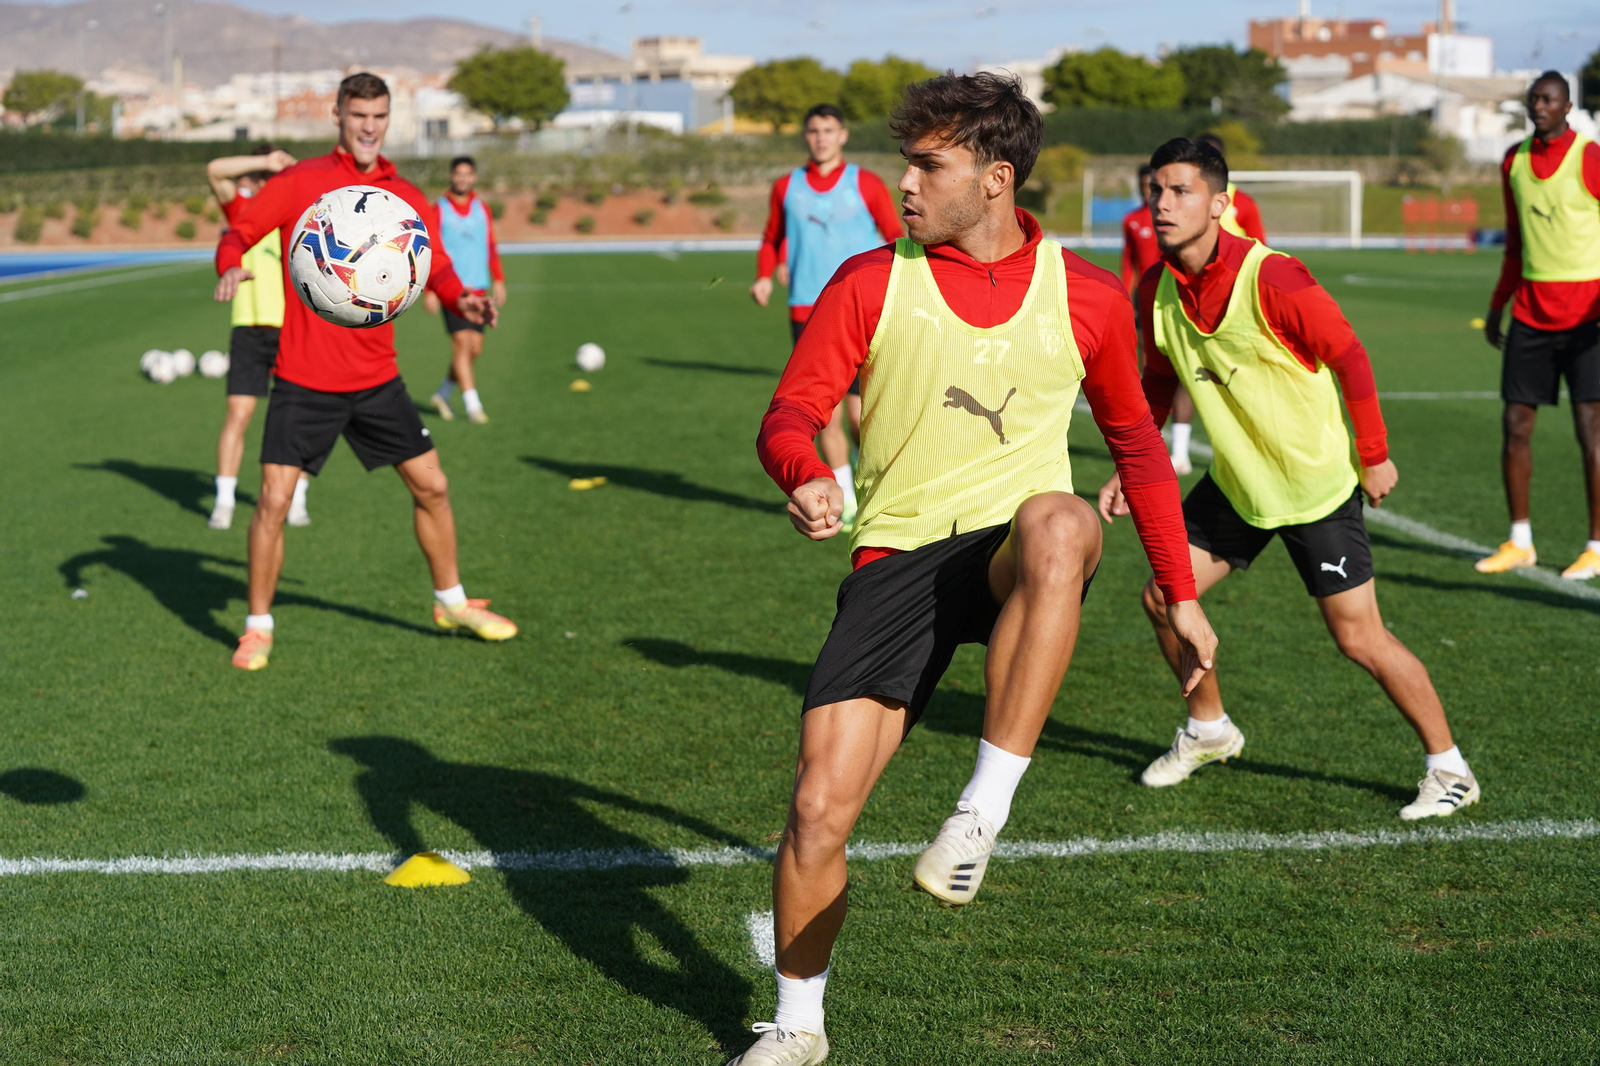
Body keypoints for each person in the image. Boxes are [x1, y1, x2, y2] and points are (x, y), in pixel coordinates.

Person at [735, 74, 1216, 1066]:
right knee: (818, 812)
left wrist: (1179, 592)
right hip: (897, 553)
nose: (903, 183)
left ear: (995, 179)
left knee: (1059, 519)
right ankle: (798, 1023)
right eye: (907, 162)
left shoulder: (1081, 296)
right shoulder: (872, 280)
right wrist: (805, 469)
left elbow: (1136, 446)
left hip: (1012, 554)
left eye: (927, 165)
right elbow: (789, 410)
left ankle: (978, 814)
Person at [1098, 137, 1478, 822]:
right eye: (1155, 190)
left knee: (1358, 638)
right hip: (1238, 487)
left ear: (1221, 204)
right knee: (1163, 596)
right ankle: (1210, 731)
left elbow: (1349, 355)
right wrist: (1134, 466)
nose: (1162, 204)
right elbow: (1157, 381)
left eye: (1180, 191)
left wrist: (1374, 452)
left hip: (1312, 488)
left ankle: (1448, 767)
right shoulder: (1155, 289)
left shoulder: (1272, 277)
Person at [213, 72, 516, 671]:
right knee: (273, 501)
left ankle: (450, 602)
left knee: (433, 485)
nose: (369, 127)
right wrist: (228, 265)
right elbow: (240, 230)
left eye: (379, 116)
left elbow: (436, 268)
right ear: (338, 116)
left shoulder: (404, 193)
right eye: (358, 116)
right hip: (303, 377)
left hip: (377, 378)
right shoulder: (300, 182)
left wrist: (465, 300)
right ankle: (257, 627)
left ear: (388, 118)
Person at [751, 103, 902, 531]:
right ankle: (848, 502)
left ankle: (867, 472)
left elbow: (895, 236)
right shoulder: (786, 186)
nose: (820, 137)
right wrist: (765, 275)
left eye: (828, 129)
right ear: (806, 136)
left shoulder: (866, 184)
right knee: (827, 415)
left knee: (860, 417)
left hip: (863, 310)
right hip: (806, 308)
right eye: (813, 130)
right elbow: (771, 237)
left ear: (843, 135)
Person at [1476, 71, 1600, 580]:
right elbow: (1515, 242)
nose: (1539, 106)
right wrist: (1498, 304)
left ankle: (1596, 545)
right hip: (1531, 312)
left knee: (1590, 430)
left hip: (1588, 316)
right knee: (1515, 428)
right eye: (1533, 99)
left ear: (1568, 105)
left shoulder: (1590, 157)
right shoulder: (1514, 159)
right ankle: (1520, 540)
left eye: (1548, 99)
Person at [205, 144, 312, 531]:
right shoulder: (242, 211)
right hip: (249, 328)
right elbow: (215, 168)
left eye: (274, 177)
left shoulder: (298, 213)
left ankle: (297, 499)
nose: (268, 183)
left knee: (297, 418)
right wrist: (264, 162)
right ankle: (224, 501)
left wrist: (291, 173)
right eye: (263, 177)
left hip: (292, 329)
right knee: (239, 413)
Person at [1158, 133, 1272, 476]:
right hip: (1188, 300)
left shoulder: (1243, 203)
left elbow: (1260, 250)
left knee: (1245, 380)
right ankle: (1179, 451)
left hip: (1237, 309)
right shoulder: (1178, 202)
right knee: (1180, 375)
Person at [426, 155, 507, 425]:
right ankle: (474, 406)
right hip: (453, 292)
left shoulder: (482, 208)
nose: (462, 178)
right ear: (451, 176)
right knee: (462, 344)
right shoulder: (439, 209)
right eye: (458, 173)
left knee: (474, 348)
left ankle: (443, 392)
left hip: (480, 288)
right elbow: (428, 250)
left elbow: (490, 244)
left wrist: (498, 278)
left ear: (473, 177)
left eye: (467, 174)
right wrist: (429, 290)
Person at [1119, 163, 1160, 297]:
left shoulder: (1171, 217)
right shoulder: (1131, 219)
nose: (1145, 189)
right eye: (1142, 185)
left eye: (1150, 185)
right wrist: (1126, 294)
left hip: (1166, 290)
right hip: (1142, 291)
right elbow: (1128, 260)